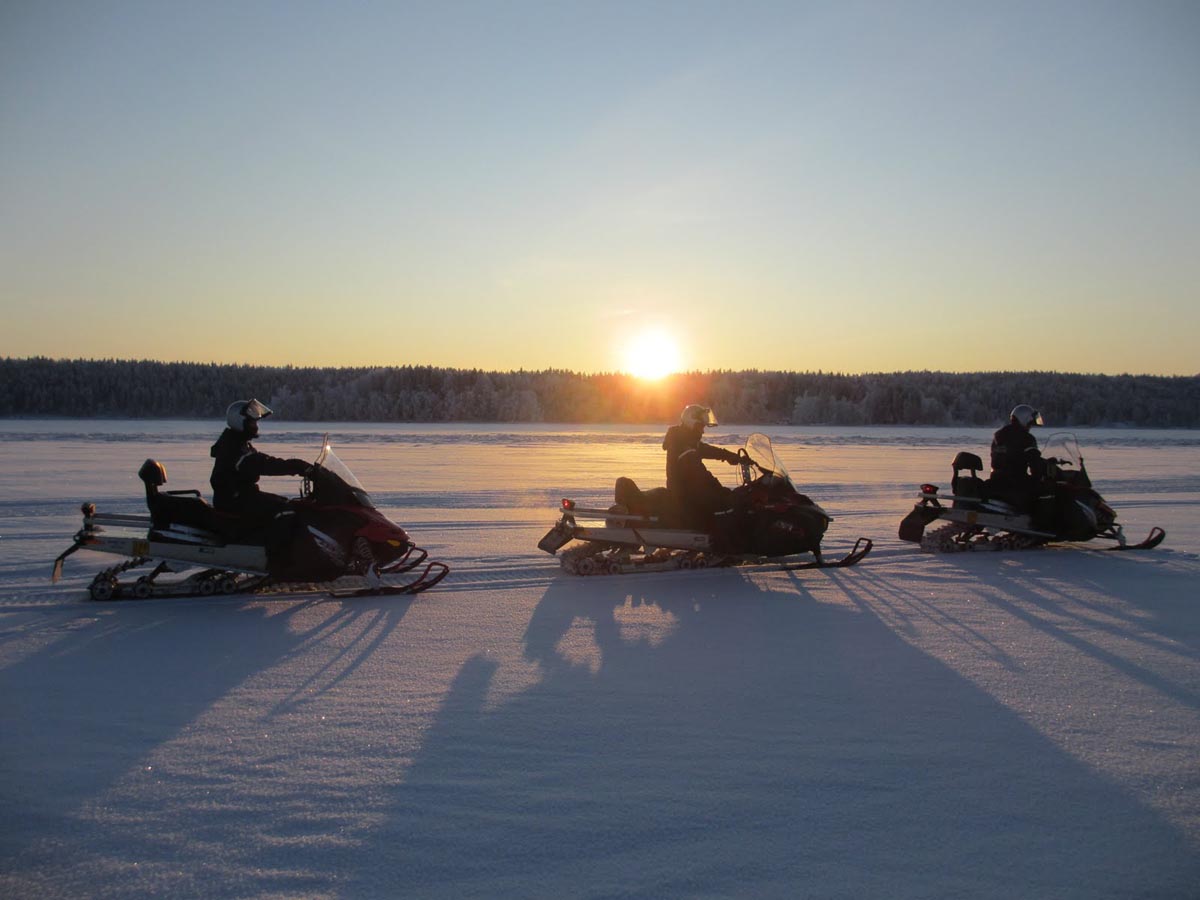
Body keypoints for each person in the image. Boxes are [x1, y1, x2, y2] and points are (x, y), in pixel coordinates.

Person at [209, 399, 311, 524]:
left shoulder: (238, 442)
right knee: (285, 510)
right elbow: (262, 464)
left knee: (288, 503)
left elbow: (261, 459)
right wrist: (297, 466)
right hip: (233, 500)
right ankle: (278, 543)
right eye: (251, 423)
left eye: (255, 423)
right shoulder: (232, 447)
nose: (255, 427)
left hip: (241, 495)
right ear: (240, 422)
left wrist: (300, 466)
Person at [662, 404, 743, 530]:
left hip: (689, 487)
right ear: (692, 423)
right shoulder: (681, 444)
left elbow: (707, 450)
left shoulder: (686, 439)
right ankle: (717, 540)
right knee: (723, 505)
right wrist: (717, 487)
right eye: (700, 426)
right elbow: (698, 473)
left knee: (725, 497)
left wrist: (731, 456)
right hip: (684, 491)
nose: (703, 431)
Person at [989, 403, 1046, 512]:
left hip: (996, 479)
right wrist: (1040, 472)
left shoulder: (999, 435)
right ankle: (1039, 523)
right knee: (1046, 492)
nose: (1029, 427)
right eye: (1029, 424)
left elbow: (1009, 456)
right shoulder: (1026, 438)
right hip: (1016, 481)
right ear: (1024, 420)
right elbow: (1034, 462)